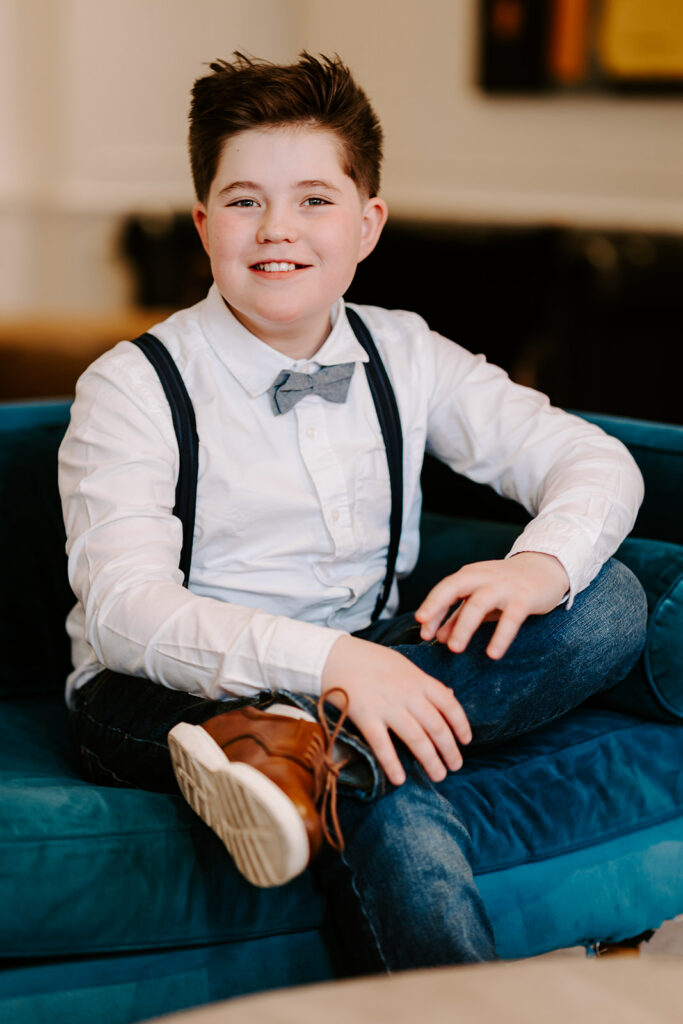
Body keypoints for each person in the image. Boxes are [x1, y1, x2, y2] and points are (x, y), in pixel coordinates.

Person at [59, 52, 647, 971]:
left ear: (368, 224)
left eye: (314, 200)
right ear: (203, 222)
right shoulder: (132, 386)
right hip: (164, 691)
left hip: (368, 648)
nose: (277, 230)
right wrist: (335, 667)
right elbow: (123, 613)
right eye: (245, 200)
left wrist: (534, 567)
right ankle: (335, 753)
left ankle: (311, 758)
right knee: (400, 805)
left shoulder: (404, 350)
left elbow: (588, 459)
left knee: (605, 602)